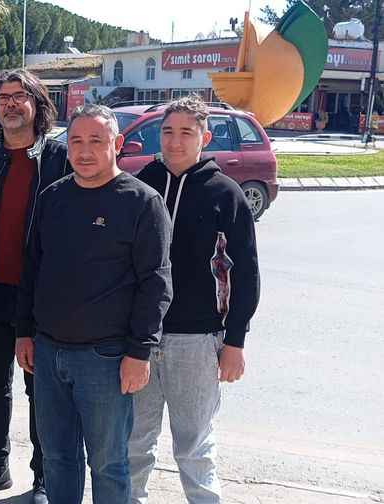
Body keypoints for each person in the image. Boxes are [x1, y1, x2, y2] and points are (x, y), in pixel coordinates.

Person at [15, 103, 173, 503]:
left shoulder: (142, 202)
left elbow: (156, 285)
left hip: (107, 358)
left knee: (108, 463)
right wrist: (23, 333)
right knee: (57, 458)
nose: (84, 152)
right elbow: (31, 269)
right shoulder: (52, 197)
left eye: (96, 141)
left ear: (117, 144)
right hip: (48, 353)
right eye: (76, 142)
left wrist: (140, 352)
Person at [129, 95, 260, 504]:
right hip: (139, 340)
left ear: (205, 137)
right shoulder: (138, 186)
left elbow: (247, 274)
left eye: (186, 132)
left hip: (199, 342)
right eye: (168, 131)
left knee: (194, 448)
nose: (174, 141)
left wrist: (234, 341)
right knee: (133, 445)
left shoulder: (226, 194)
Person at [0, 68, 69, 504]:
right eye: (2, 97)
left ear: (38, 105)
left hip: (41, 297)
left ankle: (43, 476)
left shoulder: (59, 159)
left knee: (39, 387)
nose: (10, 103)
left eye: (20, 96)